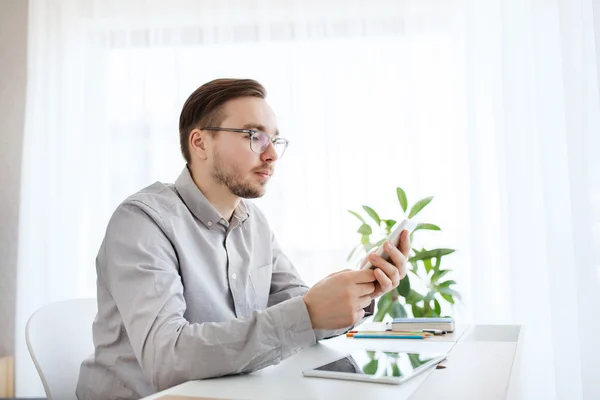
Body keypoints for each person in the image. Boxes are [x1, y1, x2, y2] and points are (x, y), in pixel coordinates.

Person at [76, 78, 410, 400]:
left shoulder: (254, 223)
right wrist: (308, 313)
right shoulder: (142, 222)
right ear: (200, 143)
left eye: (274, 140)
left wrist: (359, 290)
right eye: (254, 136)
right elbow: (168, 359)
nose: (272, 156)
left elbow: (299, 311)